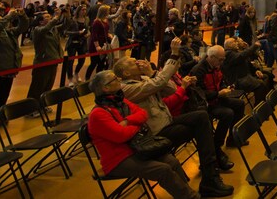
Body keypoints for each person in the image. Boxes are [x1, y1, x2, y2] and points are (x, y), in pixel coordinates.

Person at [113, 47, 234, 196]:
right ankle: (211, 176)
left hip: (168, 121)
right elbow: (158, 84)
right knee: (202, 127)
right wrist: (173, 55)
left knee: (202, 116)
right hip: (155, 133)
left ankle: (210, 174)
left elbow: (171, 88)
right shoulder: (126, 89)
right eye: (133, 63)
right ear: (126, 73)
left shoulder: (145, 78)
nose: (139, 62)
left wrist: (151, 73)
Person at [86, 71, 201, 199]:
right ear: (105, 88)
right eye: (114, 79)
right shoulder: (98, 114)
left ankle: (185, 193)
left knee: (171, 161)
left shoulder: (121, 100)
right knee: (163, 170)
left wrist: (128, 121)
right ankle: (190, 197)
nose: (118, 79)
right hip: (118, 160)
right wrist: (137, 124)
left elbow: (143, 114)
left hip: (137, 148)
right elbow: (121, 135)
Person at [191, 45, 246, 153]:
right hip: (205, 104)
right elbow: (199, 94)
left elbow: (221, 81)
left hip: (217, 98)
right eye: (220, 60)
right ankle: (216, 146)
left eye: (223, 59)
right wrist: (218, 94)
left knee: (240, 104)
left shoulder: (216, 65)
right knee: (228, 113)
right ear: (211, 57)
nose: (222, 62)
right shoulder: (198, 70)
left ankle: (232, 138)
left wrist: (225, 88)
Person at [27, 10, 65, 102]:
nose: (50, 18)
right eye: (47, 17)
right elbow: (46, 28)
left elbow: (65, 25)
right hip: (42, 62)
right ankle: (32, 107)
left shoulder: (53, 29)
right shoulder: (38, 30)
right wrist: (55, 18)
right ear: (40, 21)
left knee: (48, 85)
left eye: (50, 16)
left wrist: (65, 14)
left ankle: (43, 104)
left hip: (54, 60)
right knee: (38, 86)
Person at [222, 37, 272, 103]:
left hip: (246, 76)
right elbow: (241, 56)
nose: (236, 43)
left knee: (265, 76)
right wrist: (254, 46)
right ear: (229, 45)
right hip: (238, 81)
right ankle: (259, 106)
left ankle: (265, 101)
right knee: (260, 85)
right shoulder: (228, 54)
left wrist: (256, 70)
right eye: (234, 42)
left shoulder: (235, 52)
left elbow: (248, 62)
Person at [86, 5, 112, 80]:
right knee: (93, 63)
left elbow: (105, 31)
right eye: (107, 11)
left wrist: (109, 35)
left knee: (101, 64)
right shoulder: (96, 22)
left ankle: (98, 79)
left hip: (103, 44)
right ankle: (87, 78)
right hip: (95, 46)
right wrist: (97, 46)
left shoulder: (105, 21)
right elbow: (94, 35)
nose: (109, 12)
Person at [65, 4, 89, 85]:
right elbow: (66, 32)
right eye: (82, 9)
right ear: (78, 11)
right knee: (70, 61)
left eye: (85, 9)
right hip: (72, 42)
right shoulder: (73, 20)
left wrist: (88, 34)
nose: (84, 11)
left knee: (82, 60)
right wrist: (77, 33)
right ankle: (70, 78)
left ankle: (76, 72)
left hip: (82, 42)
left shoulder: (86, 19)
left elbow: (88, 29)